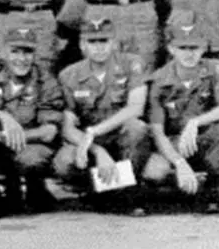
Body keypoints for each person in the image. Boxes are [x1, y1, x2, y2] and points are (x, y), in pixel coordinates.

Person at [142, 12, 219, 214]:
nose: (189, 54)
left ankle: (210, 190)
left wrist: (195, 122)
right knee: (155, 172)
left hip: (204, 140)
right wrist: (178, 162)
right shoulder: (159, 80)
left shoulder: (215, 69)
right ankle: (176, 190)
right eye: (183, 48)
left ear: (204, 48)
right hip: (174, 143)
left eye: (194, 48)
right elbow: (158, 132)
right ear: (171, 49)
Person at [0, 27, 65, 219]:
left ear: (35, 54)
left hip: (28, 142)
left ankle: (35, 188)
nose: (21, 58)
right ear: (4, 52)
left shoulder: (45, 80)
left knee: (31, 159)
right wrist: (3, 117)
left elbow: (49, 131)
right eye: (15, 51)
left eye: (27, 52)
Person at [52, 17, 151, 214]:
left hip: (123, 140)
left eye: (104, 41)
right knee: (64, 162)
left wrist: (95, 131)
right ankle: (96, 190)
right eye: (92, 42)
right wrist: (98, 150)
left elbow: (135, 108)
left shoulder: (132, 64)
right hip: (92, 145)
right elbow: (68, 127)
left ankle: (126, 193)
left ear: (113, 43)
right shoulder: (69, 75)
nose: (99, 48)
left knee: (137, 128)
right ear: (82, 45)